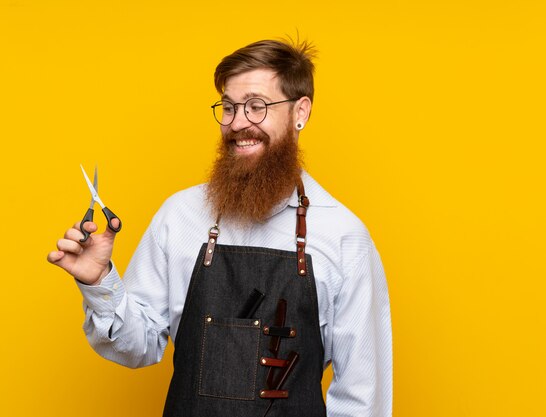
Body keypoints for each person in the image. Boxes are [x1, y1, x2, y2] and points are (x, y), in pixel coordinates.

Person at [48, 38, 392, 417]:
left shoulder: (343, 237)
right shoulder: (179, 215)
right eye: (228, 107)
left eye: (257, 106)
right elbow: (137, 346)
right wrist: (99, 283)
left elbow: (363, 397)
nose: (238, 122)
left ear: (301, 112)